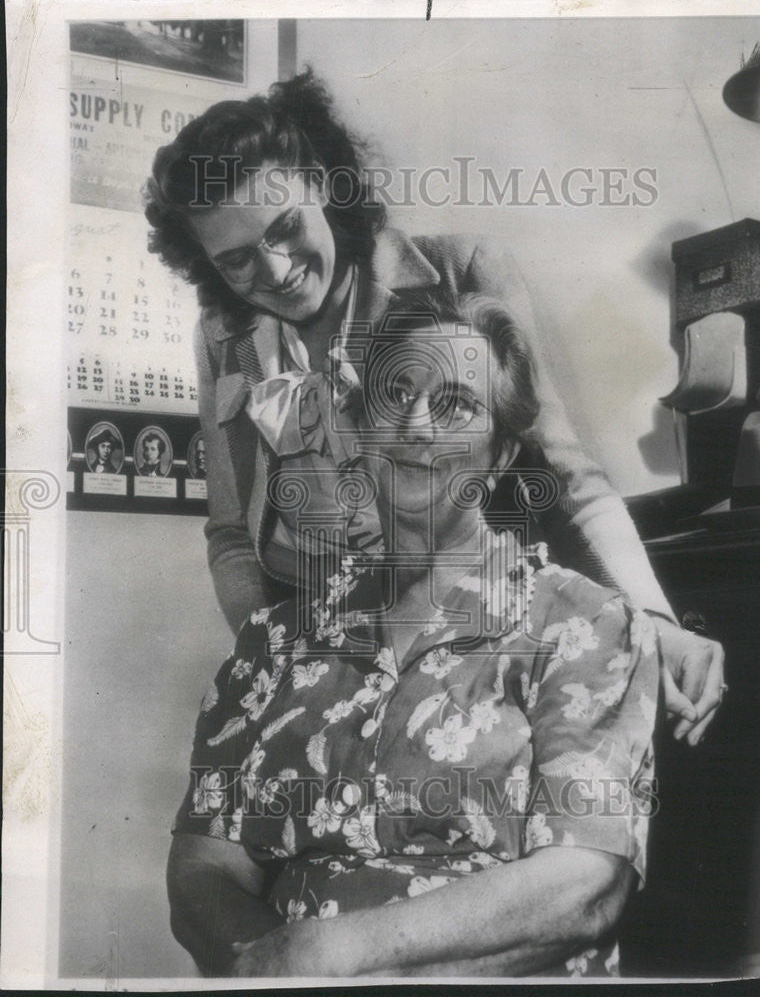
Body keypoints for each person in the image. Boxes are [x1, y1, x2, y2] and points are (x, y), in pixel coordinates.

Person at [144, 69, 723, 745]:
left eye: (285, 227)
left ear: (325, 186)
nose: (273, 270)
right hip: (328, 666)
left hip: (484, 647)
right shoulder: (222, 340)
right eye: (236, 260)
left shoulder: (462, 270)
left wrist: (654, 619)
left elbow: (568, 478)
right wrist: (272, 669)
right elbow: (233, 538)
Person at [167, 298, 659, 977]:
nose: (415, 425)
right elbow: (202, 869)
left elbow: (585, 884)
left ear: (499, 455)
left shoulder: (581, 624)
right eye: (395, 394)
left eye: (454, 404)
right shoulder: (271, 642)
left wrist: (341, 954)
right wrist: (268, 969)